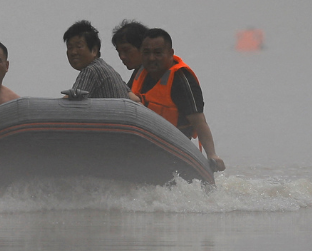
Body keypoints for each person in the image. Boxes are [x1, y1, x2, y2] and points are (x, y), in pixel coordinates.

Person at [131, 28, 225, 172]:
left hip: (173, 147)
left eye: (157, 53)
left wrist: (212, 155)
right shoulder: (140, 73)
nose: (151, 58)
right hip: (143, 144)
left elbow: (199, 122)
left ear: (170, 53)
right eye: (146, 53)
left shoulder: (181, 80)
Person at [63, 20, 131, 98]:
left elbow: (71, 103)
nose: (73, 52)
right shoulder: (109, 70)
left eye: (79, 46)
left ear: (94, 50)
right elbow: (135, 98)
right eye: (70, 47)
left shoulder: (91, 70)